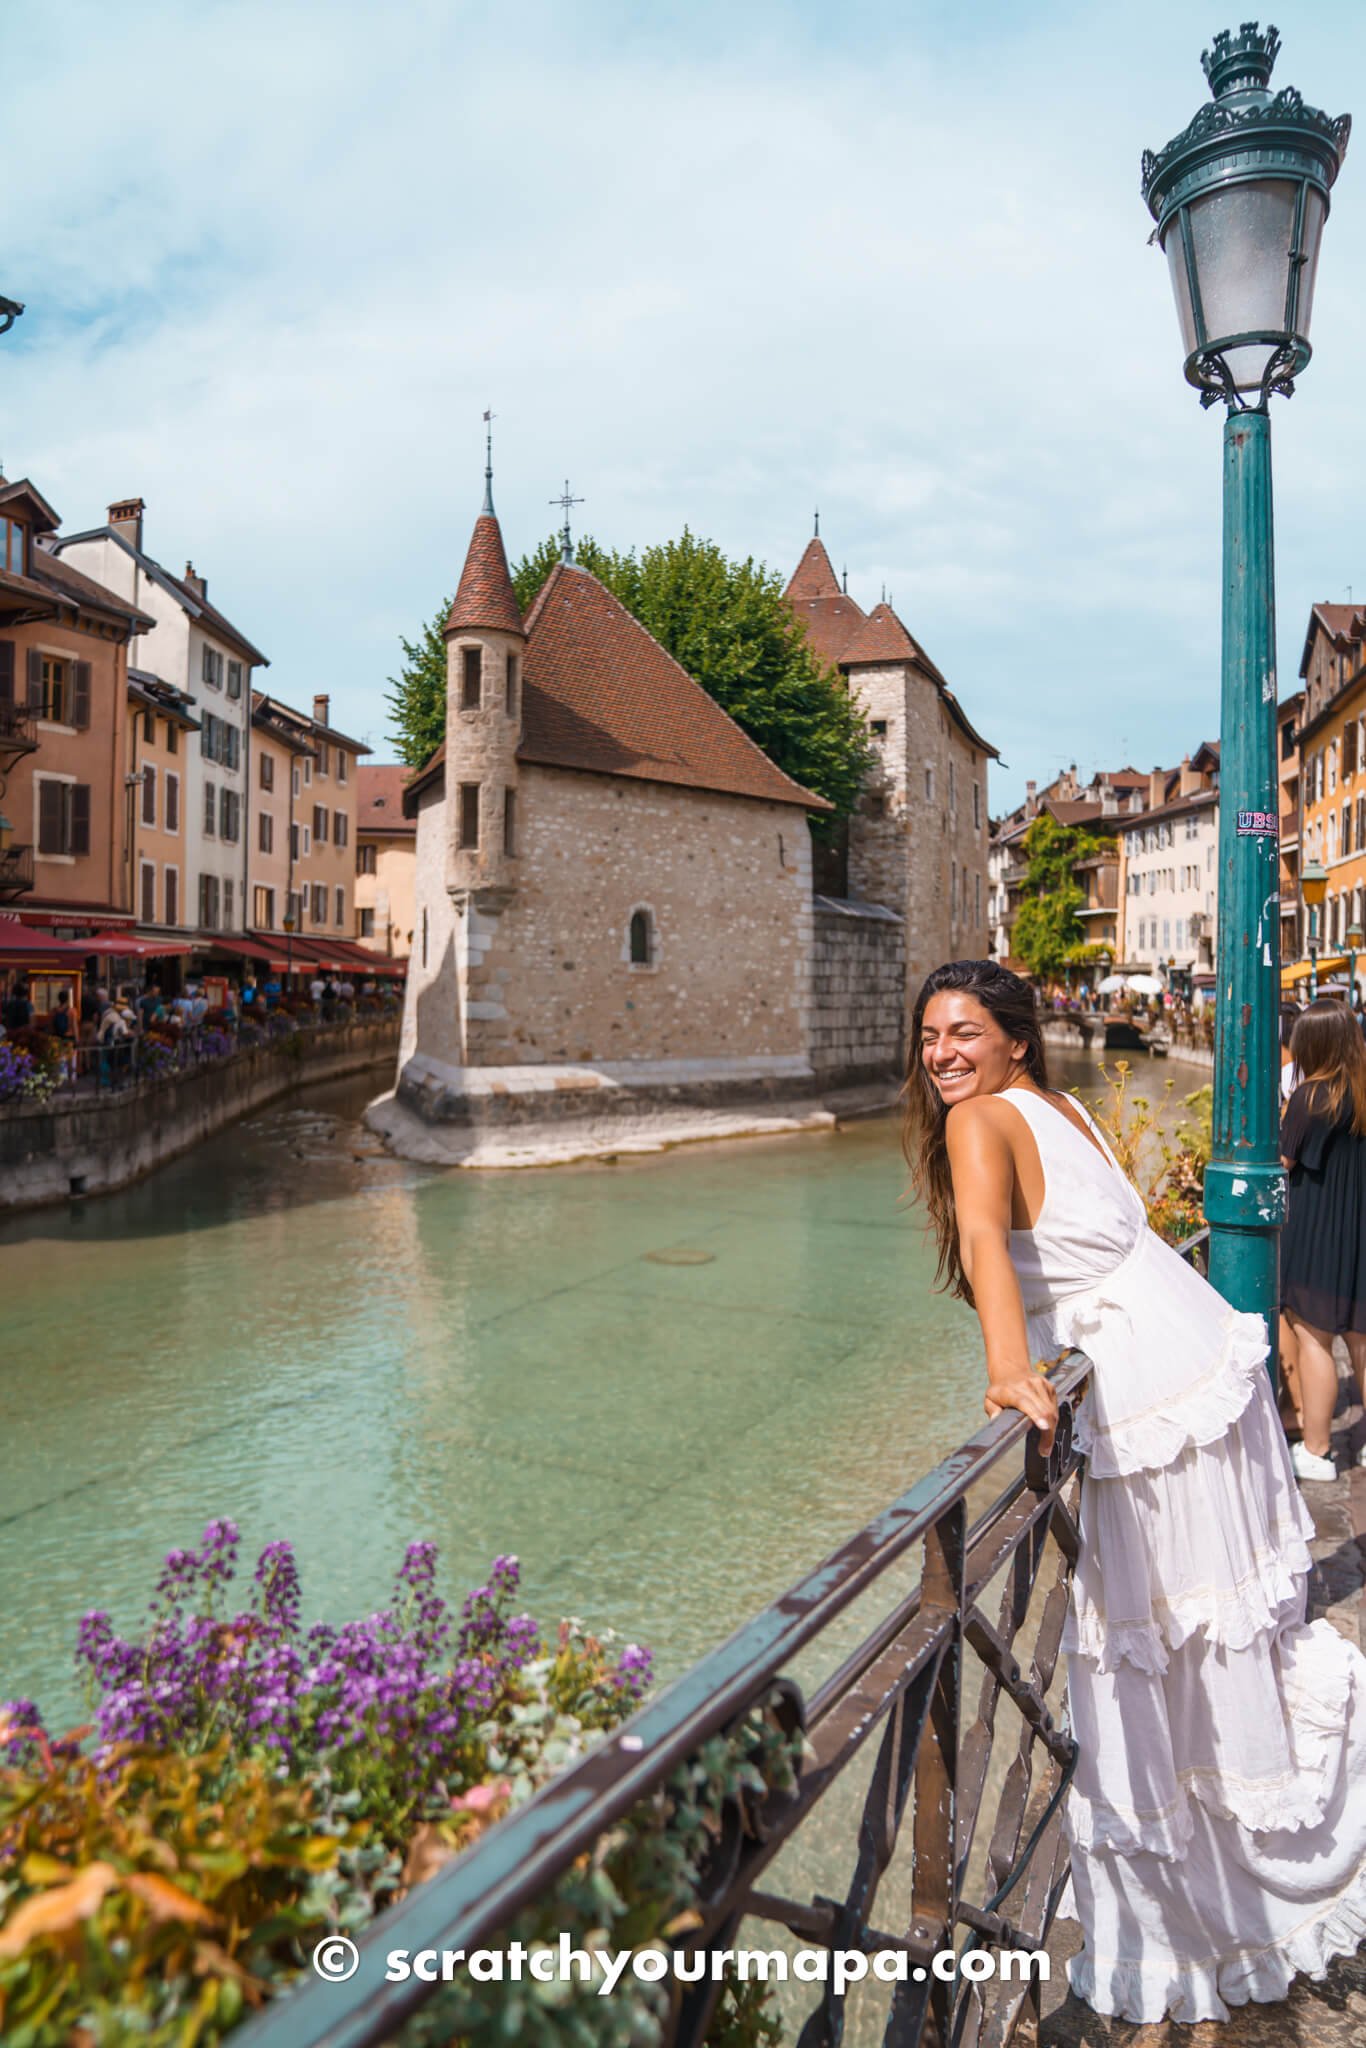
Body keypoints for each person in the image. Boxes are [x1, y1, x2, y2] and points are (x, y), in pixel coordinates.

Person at [905, 958, 1366, 2026]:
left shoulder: (980, 1122)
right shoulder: (1053, 1101)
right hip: (1195, 1364)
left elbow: (983, 1240)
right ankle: (1247, 1875)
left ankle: (1204, 1911)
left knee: (1146, 1649)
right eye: (929, 1036)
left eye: (962, 1032)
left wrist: (1007, 1366)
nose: (942, 1054)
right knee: (1206, 1646)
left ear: (1013, 1035)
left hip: (1153, 1406)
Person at [1279, 999, 1366, 1480]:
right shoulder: (1361, 1090)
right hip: (1360, 1226)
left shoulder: (1311, 1097)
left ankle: (1316, 1451)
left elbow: (1282, 1163)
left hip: (1318, 1228)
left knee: (1315, 1339)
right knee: (1361, 1341)